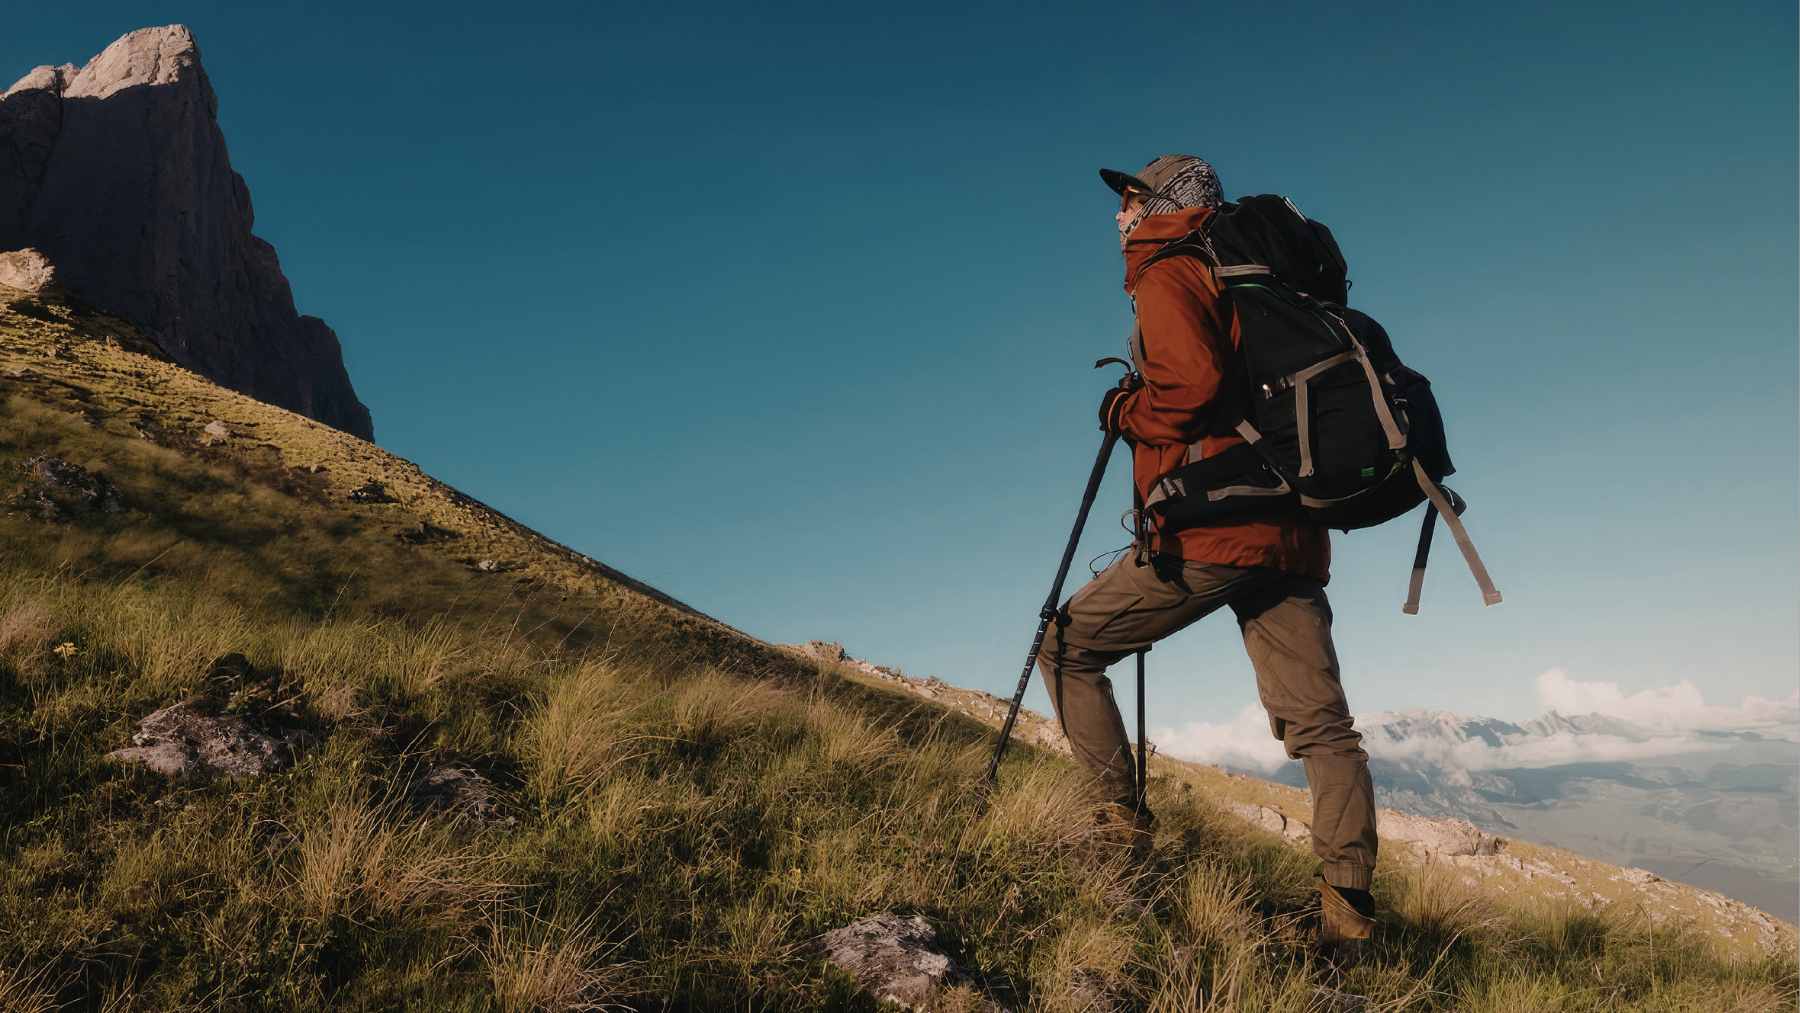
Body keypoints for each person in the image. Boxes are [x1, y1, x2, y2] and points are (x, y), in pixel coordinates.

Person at [1036, 153, 1379, 944]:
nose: (1118, 215)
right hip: (1291, 528)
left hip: (1213, 526)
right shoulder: (1260, 278)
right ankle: (1349, 914)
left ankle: (1117, 833)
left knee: (1066, 648)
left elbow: (1186, 388)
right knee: (1324, 727)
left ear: (1162, 204)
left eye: (1129, 200)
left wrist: (1125, 411)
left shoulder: (1170, 270)